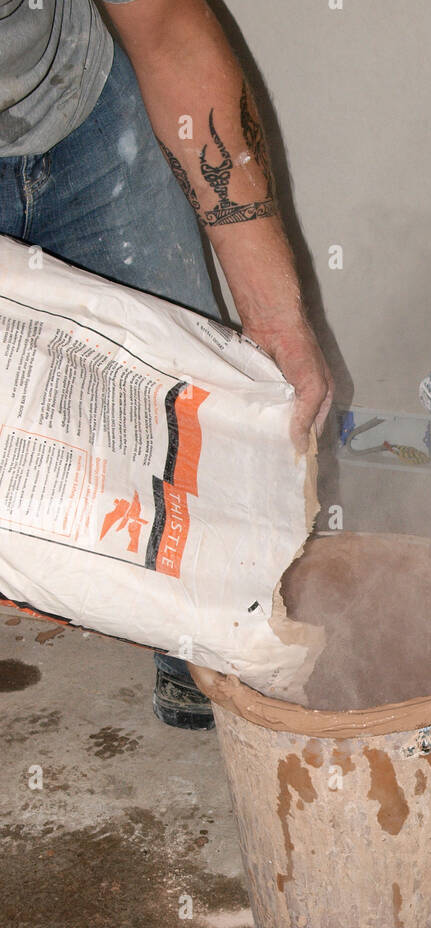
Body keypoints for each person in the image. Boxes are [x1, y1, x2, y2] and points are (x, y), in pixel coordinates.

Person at [0, 0, 332, 728]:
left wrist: (276, 317)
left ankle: (212, 657)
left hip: (80, 104)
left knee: (189, 410)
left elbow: (171, 31)